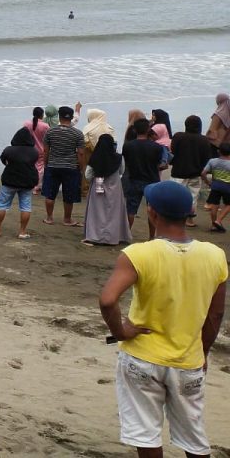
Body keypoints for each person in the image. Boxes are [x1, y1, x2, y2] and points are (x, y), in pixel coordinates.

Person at [97, 181, 226, 458]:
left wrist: (120, 331)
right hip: (188, 360)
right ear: (188, 214)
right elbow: (215, 314)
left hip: (142, 357)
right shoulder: (215, 256)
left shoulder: (138, 253)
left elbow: (108, 300)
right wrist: (202, 351)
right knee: (194, 437)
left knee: (146, 435)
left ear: (152, 212)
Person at [0, 128, 39, 239]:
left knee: (2, 205)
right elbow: (34, 162)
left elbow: (3, 160)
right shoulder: (34, 152)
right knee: (26, 207)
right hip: (28, 181)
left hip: (10, 180)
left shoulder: (9, 150)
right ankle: (22, 232)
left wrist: (10, 164)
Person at [83, 134, 134, 246]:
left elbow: (87, 175)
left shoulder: (95, 157)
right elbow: (121, 171)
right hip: (115, 187)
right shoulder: (119, 158)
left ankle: (95, 235)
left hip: (99, 183)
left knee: (97, 211)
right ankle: (112, 236)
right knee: (113, 211)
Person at [41, 105, 85, 227]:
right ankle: (67, 219)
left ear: (59, 117)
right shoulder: (78, 133)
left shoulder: (50, 131)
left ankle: (49, 218)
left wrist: (46, 164)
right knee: (69, 194)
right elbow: (81, 153)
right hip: (71, 167)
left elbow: (46, 151)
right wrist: (81, 167)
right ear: (71, 118)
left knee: (50, 193)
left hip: (53, 165)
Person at [124, 119, 167, 239]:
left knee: (131, 210)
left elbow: (127, 163)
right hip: (152, 180)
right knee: (152, 210)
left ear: (134, 130)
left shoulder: (128, 146)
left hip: (134, 179)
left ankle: (127, 234)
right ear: (148, 129)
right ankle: (151, 236)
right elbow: (161, 165)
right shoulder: (156, 147)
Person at [171, 116, 213, 227]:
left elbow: (173, 151)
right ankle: (189, 220)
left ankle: (175, 218)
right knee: (192, 197)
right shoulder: (204, 140)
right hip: (196, 172)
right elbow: (206, 158)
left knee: (176, 196)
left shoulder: (178, 136)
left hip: (178, 172)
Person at [200, 143, 230, 232]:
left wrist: (207, 182)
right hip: (227, 187)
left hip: (215, 186)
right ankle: (218, 220)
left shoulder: (212, 161)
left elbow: (203, 173)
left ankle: (214, 225)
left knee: (214, 205)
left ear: (218, 151)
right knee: (228, 204)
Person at [24, 107, 50, 193]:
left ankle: (30, 184)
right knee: (40, 168)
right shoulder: (45, 126)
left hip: (29, 149)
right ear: (42, 115)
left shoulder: (27, 124)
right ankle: (37, 186)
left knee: (31, 166)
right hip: (41, 150)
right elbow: (49, 138)